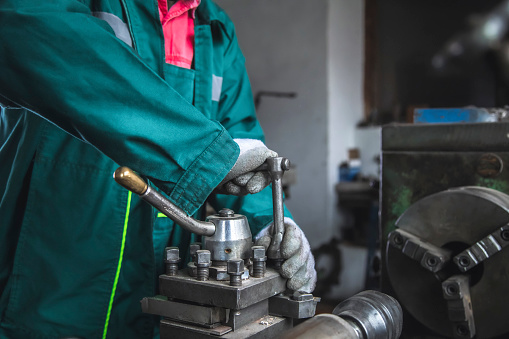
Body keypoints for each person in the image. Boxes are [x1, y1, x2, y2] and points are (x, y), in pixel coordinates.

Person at [0, 0, 317, 338]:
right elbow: (27, 29)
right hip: (46, 287)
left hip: (160, 300)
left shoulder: (215, 30)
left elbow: (243, 145)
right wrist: (203, 151)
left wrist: (272, 222)